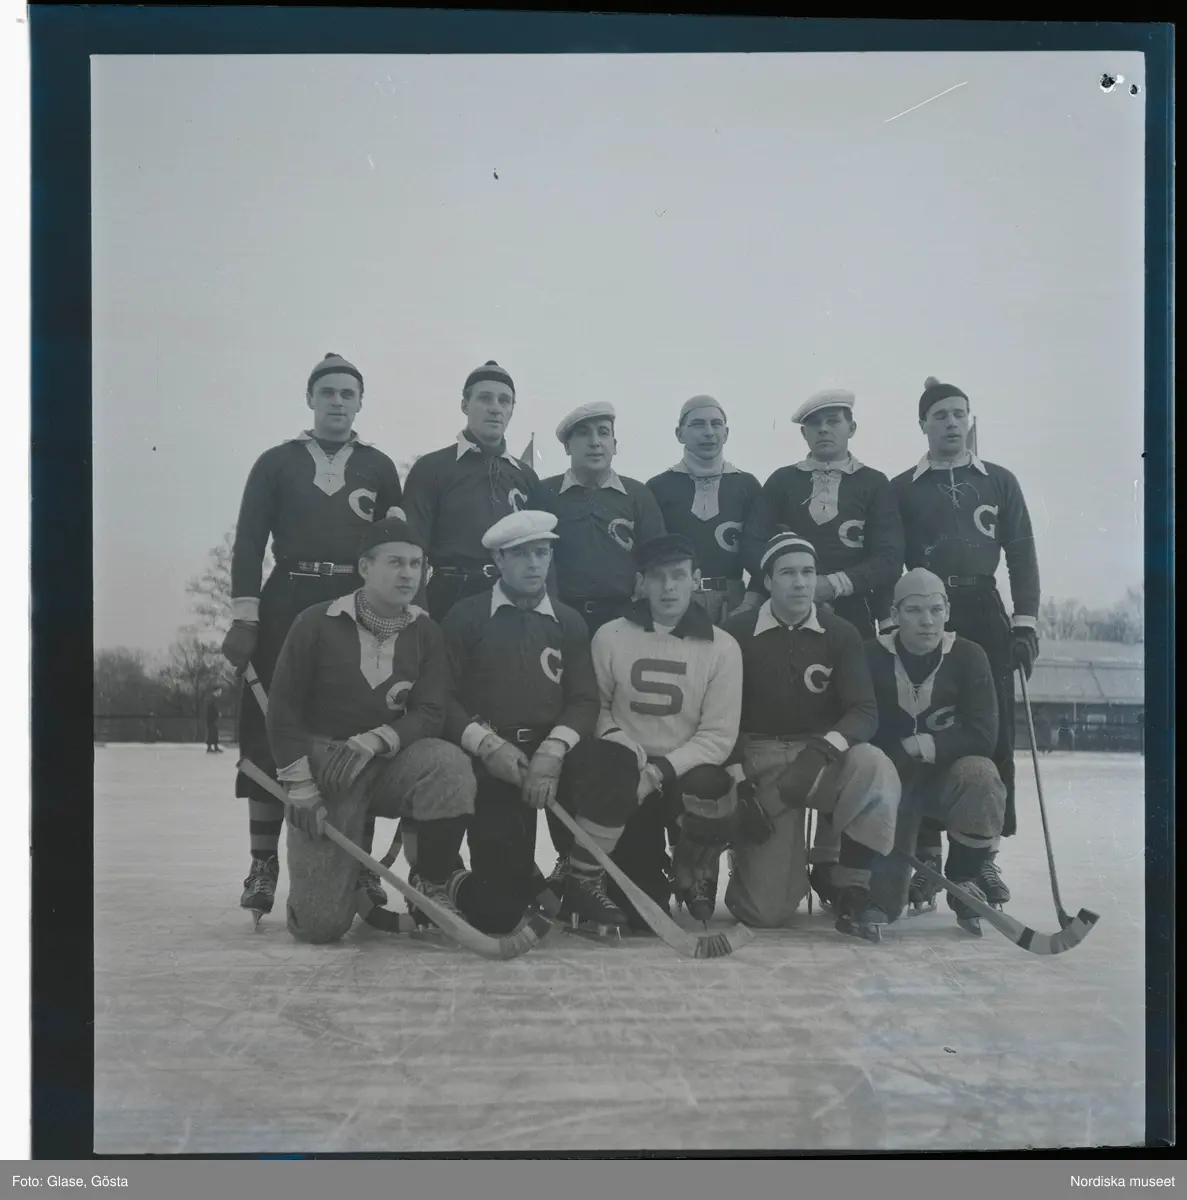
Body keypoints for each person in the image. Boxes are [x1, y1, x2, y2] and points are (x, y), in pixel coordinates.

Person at [222, 352, 405, 924]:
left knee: (355, 723)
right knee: (270, 722)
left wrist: (401, 607)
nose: (337, 402)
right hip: (288, 597)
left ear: (360, 402)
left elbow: (396, 544)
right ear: (310, 398)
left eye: (348, 393)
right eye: (327, 392)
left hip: (356, 602)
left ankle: (360, 867)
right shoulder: (276, 462)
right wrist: (245, 616)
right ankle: (262, 864)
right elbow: (249, 541)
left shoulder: (378, 466)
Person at [264, 517, 478, 943]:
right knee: (319, 927)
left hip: (385, 762)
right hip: (329, 771)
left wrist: (378, 739)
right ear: (365, 567)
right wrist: (300, 785)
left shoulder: (426, 631)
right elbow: (282, 710)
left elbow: (430, 711)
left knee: (449, 764)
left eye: (416, 564)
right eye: (395, 562)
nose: (408, 574)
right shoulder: (315, 622)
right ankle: (341, 876)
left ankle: (431, 880)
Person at [890, 376, 1040, 913]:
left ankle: (980, 858)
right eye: (940, 415)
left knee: (992, 733)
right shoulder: (903, 487)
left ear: (969, 420)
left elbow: (1022, 554)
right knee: (929, 721)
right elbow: (890, 557)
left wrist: (1024, 624)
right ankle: (927, 857)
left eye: (959, 413)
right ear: (923, 424)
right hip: (927, 611)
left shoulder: (998, 480)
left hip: (983, 609)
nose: (952, 423)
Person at [440, 509, 612, 934]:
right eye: (521, 554)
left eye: (542, 553)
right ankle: (445, 876)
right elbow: (441, 698)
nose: (535, 564)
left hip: (553, 759)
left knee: (606, 764)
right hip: (495, 763)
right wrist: (487, 745)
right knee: (500, 915)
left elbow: (584, 700)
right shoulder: (466, 616)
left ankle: (575, 873)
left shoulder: (568, 621)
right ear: (498, 559)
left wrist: (553, 750)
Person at [723, 533, 901, 941]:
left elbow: (864, 710)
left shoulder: (840, 632)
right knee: (765, 912)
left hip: (818, 756)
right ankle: (759, 863)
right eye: (788, 573)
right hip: (760, 756)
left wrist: (823, 749)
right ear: (768, 581)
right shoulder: (736, 631)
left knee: (873, 766)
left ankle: (849, 882)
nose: (801, 582)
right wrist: (739, 782)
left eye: (808, 572)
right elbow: (720, 712)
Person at [570, 533, 744, 932]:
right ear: (641, 582)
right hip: (625, 778)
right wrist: (624, 749)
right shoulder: (610, 635)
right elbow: (596, 708)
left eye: (678, 576)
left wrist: (658, 772)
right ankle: (600, 877)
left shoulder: (722, 647)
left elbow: (717, 737)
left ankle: (692, 868)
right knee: (641, 916)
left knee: (711, 784)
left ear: (695, 579)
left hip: (680, 774)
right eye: (657, 577)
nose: (668, 587)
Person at [864, 570, 1008, 935]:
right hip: (891, 785)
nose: (927, 621)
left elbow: (983, 735)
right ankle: (882, 887)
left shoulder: (969, 655)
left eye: (935, 609)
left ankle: (963, 879)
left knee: (981, 775)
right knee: (884, 905)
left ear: (947, 611)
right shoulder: (870, 655)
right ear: (894, 615)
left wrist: (922, 745)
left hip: (945, 783)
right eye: (914, 610)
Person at [739, 389, 903, 636]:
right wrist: (791, 582)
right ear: (804, 433)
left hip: (854, 609)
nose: (823, 429)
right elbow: (752, 543)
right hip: (785, 608)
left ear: (852, 428)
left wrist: (833, 585)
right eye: (815, 423)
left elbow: (889, 556)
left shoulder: (874, 482)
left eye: (833, 421)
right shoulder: (782, 480)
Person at [401, 361, 541, 620]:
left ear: (511, 409)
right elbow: (412, 547)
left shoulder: (526, 476)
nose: (495, 408)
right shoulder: (432, 468)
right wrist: (416, 611)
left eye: (504, 401)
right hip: (449, 598)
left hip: (512, 600)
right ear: (465, 405)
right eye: (485, 398)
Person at [537, 402, 666, 636]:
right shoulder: (545, 494)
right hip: (561, 618)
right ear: (567, 447)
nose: (595, 442)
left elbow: (657, 556)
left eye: (603, 432)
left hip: (625, 618)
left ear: (614, 445)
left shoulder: (638, 495)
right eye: (583, 433)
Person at [646, 396, 762, 626]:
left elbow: (760, 547)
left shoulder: (746, 485)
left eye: (716, 424)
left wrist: (751, 600)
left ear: (726, 433)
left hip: (734, 600)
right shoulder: (658, 487)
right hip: (676, 598)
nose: (709, 432)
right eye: (698, 424)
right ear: (679, 434)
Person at [205, 688, 223, 753]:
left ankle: (215, 747)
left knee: (215, 733)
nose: (220, 693)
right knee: (212, 733)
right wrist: (217, 713)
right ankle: (209, 747)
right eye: (219, 691)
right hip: (211, 719)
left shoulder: (214, 699)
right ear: (216, 691)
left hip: (213, 719)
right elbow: (212, 708)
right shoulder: (212, 699)